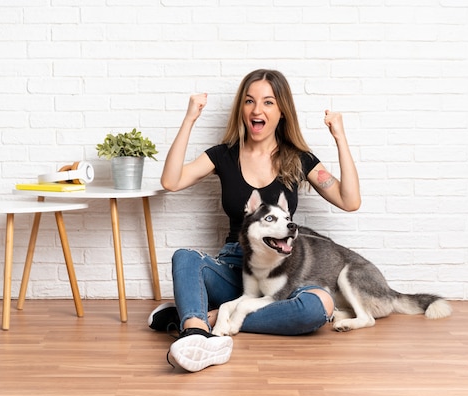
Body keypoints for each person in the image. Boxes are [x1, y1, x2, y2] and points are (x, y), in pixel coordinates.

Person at [148, 69, 361, 372]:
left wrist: (340, 138)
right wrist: (189, 119)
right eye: (249, 101)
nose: (256, 110)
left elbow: (349, 200)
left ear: (282, 111)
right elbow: (171, 181)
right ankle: (195, 335)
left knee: (319, 306)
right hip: (236, 267)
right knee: (185, 258)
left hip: (283, 271)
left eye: (268, 102)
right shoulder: (223, 155)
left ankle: (205, 317)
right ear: (241, 109)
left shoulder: (299, 158)